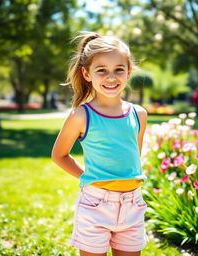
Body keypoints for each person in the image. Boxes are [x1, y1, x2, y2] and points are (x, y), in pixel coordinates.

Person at [51, 31, 148, 256]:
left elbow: (135, 156)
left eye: (118, 70)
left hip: (132, 205)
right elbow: (59, 155)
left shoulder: (139, 114)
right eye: (101, 70)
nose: (111, 77)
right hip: (96, 206)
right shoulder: (81, 115)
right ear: (86, 73)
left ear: (129, 72)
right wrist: (89, 176)